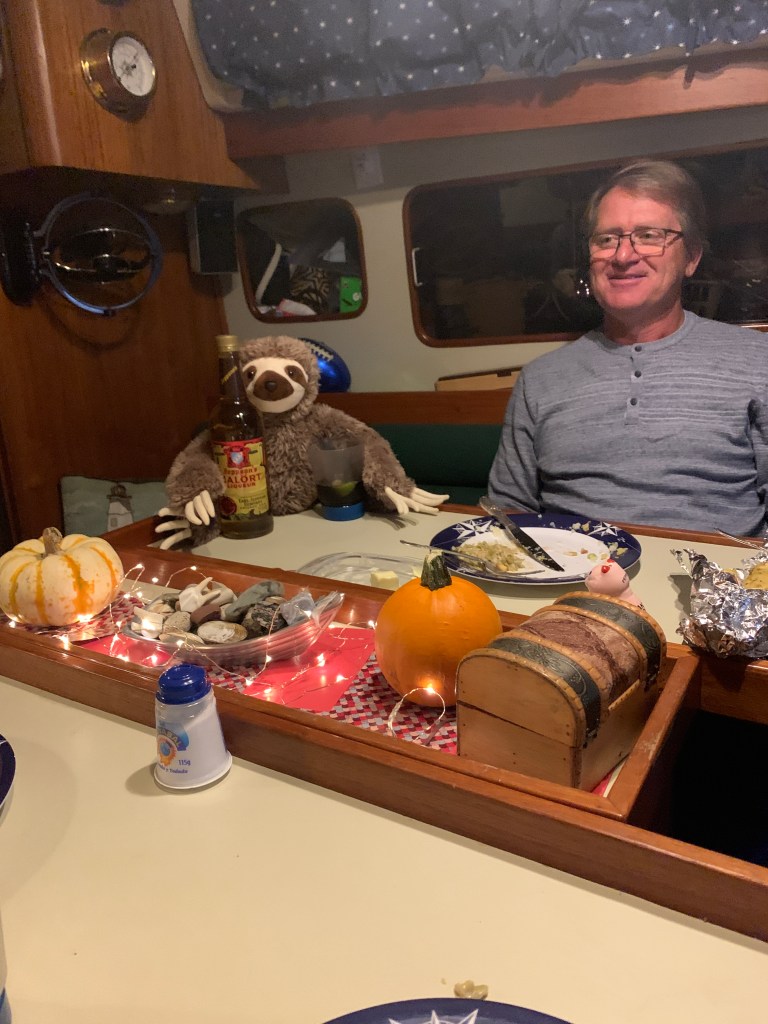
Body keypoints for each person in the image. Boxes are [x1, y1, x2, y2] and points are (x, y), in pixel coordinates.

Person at [487, 158, 768, 536]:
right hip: (572, 571)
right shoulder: (539, 380)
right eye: (607, 239)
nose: (622, 256)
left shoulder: (757, 360)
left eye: (649, 236)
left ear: (691, 258)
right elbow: (507, 513)